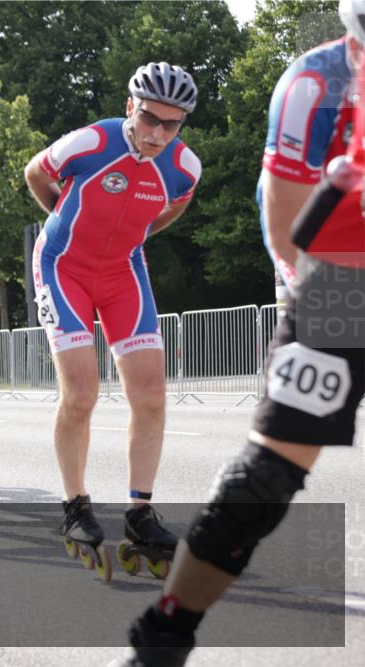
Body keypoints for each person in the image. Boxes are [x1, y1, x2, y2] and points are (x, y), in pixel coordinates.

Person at [116, 5, 365, 664]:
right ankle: (164, 635)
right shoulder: (313, 88)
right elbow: (290, 234)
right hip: (336, 284)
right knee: (266, 478)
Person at [24, 61, 202, 578]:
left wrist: (136, 233)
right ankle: (75, 505)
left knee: (150, 396)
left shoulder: (184, 167)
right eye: (150, 118)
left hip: (124, 272)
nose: (157, 133)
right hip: (63, 267)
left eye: (171, 125)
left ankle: (140, 514)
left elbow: (173, 206)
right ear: (131, 107)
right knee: (81, 394)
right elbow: (35, 172)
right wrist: (62, 216)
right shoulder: (91, 142)